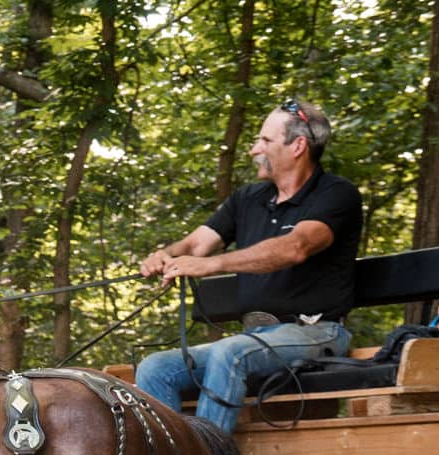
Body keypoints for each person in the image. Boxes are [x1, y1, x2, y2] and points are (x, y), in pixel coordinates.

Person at [134, 101, 362, 431]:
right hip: (255, 337)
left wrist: (210, 265)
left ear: (297, 146)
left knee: (230, 352)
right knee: (156, 368)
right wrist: (166, 254)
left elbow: (295, 247)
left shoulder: (336, 194)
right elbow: (197, 243)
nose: (254, 149)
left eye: (265, 141)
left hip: (316, 331)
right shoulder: (249, 198)